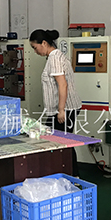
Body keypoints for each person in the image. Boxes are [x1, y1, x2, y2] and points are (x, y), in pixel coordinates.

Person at [30, 29, 82, 174]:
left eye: (35, 47)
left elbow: (62, 84)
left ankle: (72, 176)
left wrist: (61, 110)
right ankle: (66, 174)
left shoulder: (54, 58)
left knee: (62, 144)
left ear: (44, 43)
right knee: (57, 142)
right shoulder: (56, 56)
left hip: (64, 110)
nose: (35, 51)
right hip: (62, 109)